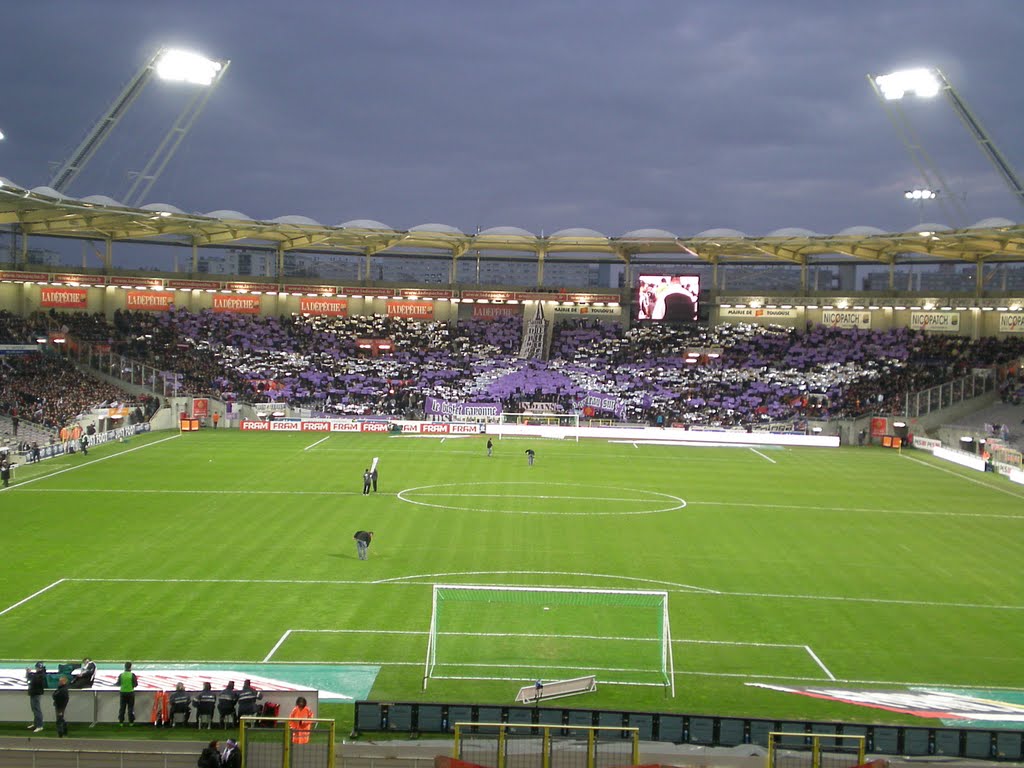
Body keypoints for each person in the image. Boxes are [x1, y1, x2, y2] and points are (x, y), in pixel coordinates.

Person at [26, 662, 46, 732]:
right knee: (34, 709)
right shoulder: (39, 674)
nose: (36, 669)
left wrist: (29, 673)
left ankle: (40, 725)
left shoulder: (41, 675)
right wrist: (28, 673)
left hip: (36, 693)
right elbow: (30, 678)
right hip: (34, 693)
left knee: (37, 710)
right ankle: (36, 723)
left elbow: (34, 680)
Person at [117, 661, 138, 726]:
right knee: (130, 708)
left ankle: (121, 722)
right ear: (130, 667)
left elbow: (118, 683)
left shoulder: (121, 675)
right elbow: (135, 684)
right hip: (130, 693)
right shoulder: (132, 675)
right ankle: (131, 722)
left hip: (123, 692)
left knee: (122, 707)